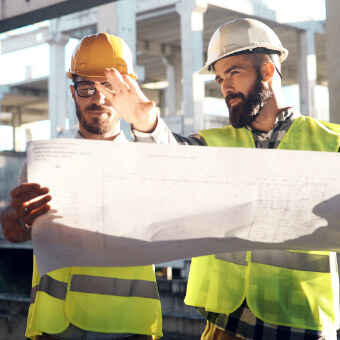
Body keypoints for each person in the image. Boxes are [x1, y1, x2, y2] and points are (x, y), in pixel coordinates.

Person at [101, 18, 340, 340]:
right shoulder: (214, 142)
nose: (225, 86)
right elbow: (171, 159)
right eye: (219, 78)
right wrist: (146, 123)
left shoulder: (330, 143)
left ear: (267, 72)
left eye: (234, 73)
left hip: (300, 321)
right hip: (225, 322)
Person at [0, 33, 162, 340]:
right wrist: (14, 219)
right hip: (56, 327)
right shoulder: (43, 164)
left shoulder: (150, 164)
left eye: (109, 88)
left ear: (125, 91)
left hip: (130, 328)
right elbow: (17, 231)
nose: (98, 99)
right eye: (87, 87)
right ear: (74, 93)